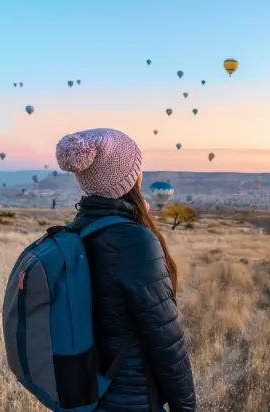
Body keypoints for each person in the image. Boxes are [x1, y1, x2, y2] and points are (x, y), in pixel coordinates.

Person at [56, 128, 197, 412]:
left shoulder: (76, 232)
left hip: (86, 395)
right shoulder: (134, 241)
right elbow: (167, 340)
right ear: (130, 177)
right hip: (131, 398)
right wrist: (186, 407)